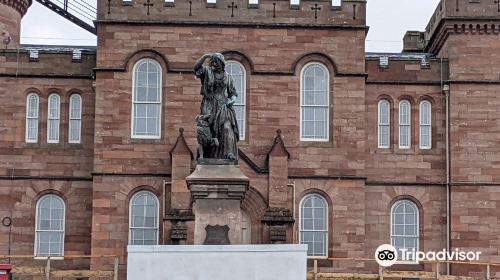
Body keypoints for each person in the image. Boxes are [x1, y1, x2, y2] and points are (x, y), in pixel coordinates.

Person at [194, 53, 239, 160]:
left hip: (223, 107)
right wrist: (204, 57)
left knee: (227, 127)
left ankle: (229, 153)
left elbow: (233, 93)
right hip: (209, 106)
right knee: (208, 132)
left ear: (222, 63)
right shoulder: (207, 72)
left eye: (217, 62)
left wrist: (232, 100)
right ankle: (206, 156)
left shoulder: (228, 77)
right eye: (213, 62)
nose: (214, 64)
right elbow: (196, 68)